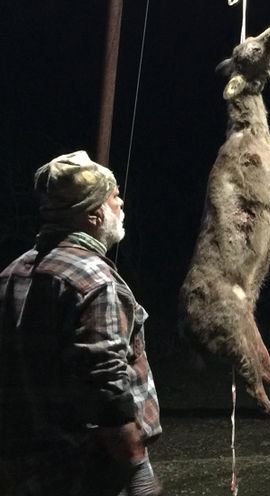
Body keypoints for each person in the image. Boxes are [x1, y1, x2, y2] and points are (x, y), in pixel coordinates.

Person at [0, 151, 162, 496]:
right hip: (81, 470)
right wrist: (136, 464)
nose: (121, 202)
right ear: (93, 215)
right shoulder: (95, 281)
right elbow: (106, 384)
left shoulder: (12, 273)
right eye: (113, 197)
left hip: (21, 466)